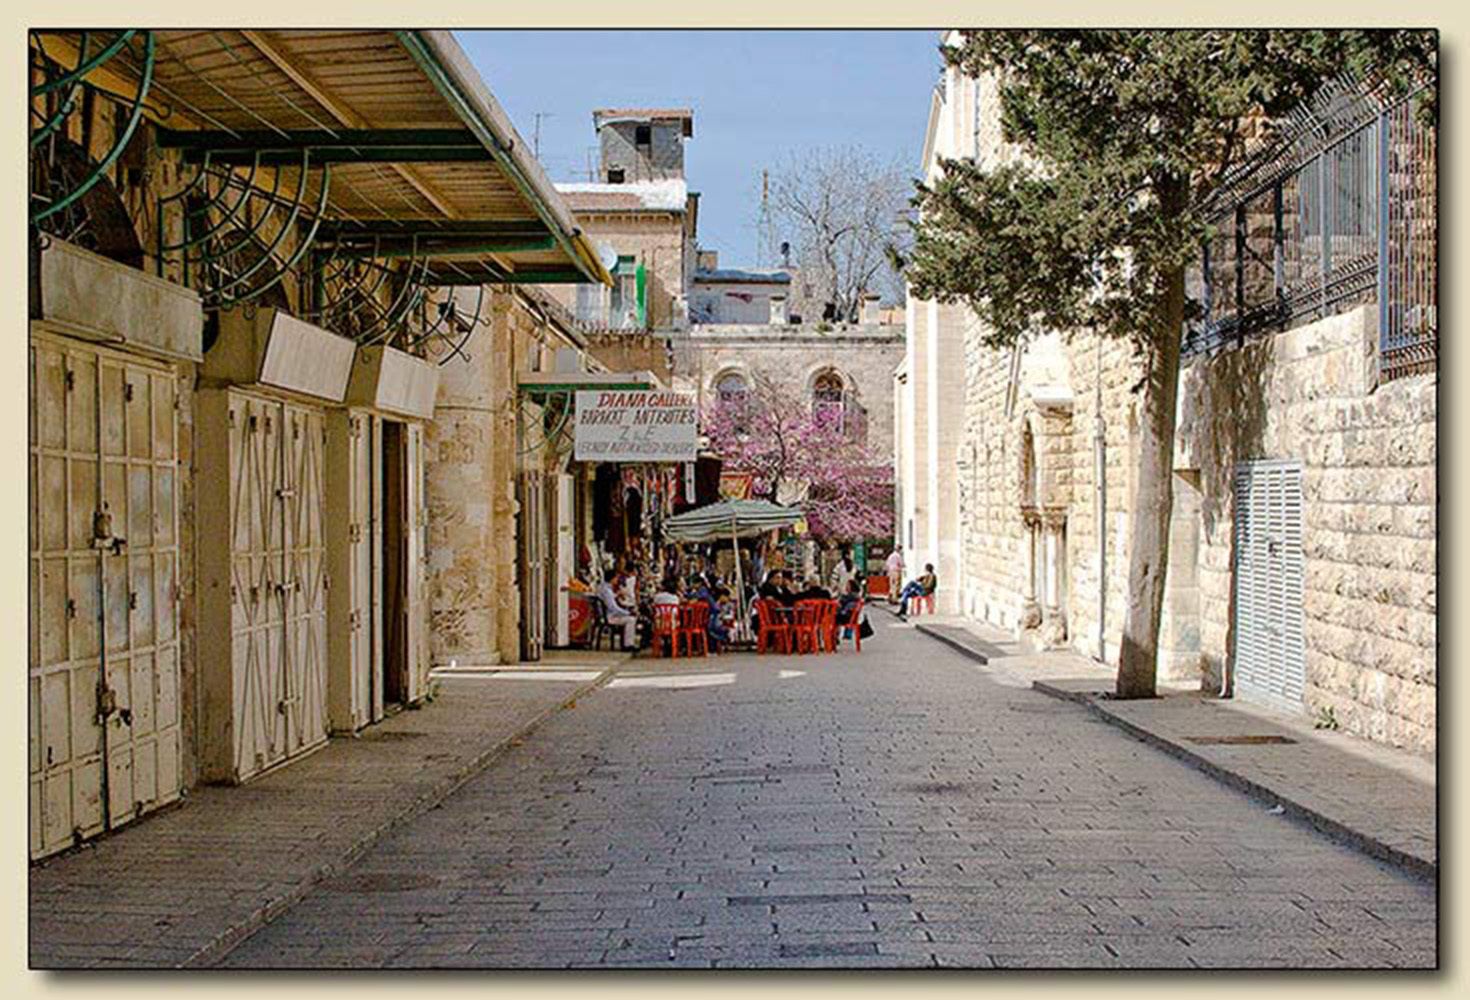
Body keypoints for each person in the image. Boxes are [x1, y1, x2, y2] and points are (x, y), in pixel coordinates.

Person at [596, 568, 638, 648]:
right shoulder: (607, 591)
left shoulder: (603, 587)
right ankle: (628, 644)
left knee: (630, 617)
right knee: (631, 620)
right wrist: (628, 613)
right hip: (610, 616)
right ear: (612, 579)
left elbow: (609, 600)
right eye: (616, 578)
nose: (617, 580)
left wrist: (616, 595)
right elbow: (613, 608)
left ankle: (626, 642)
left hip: (607, 614)